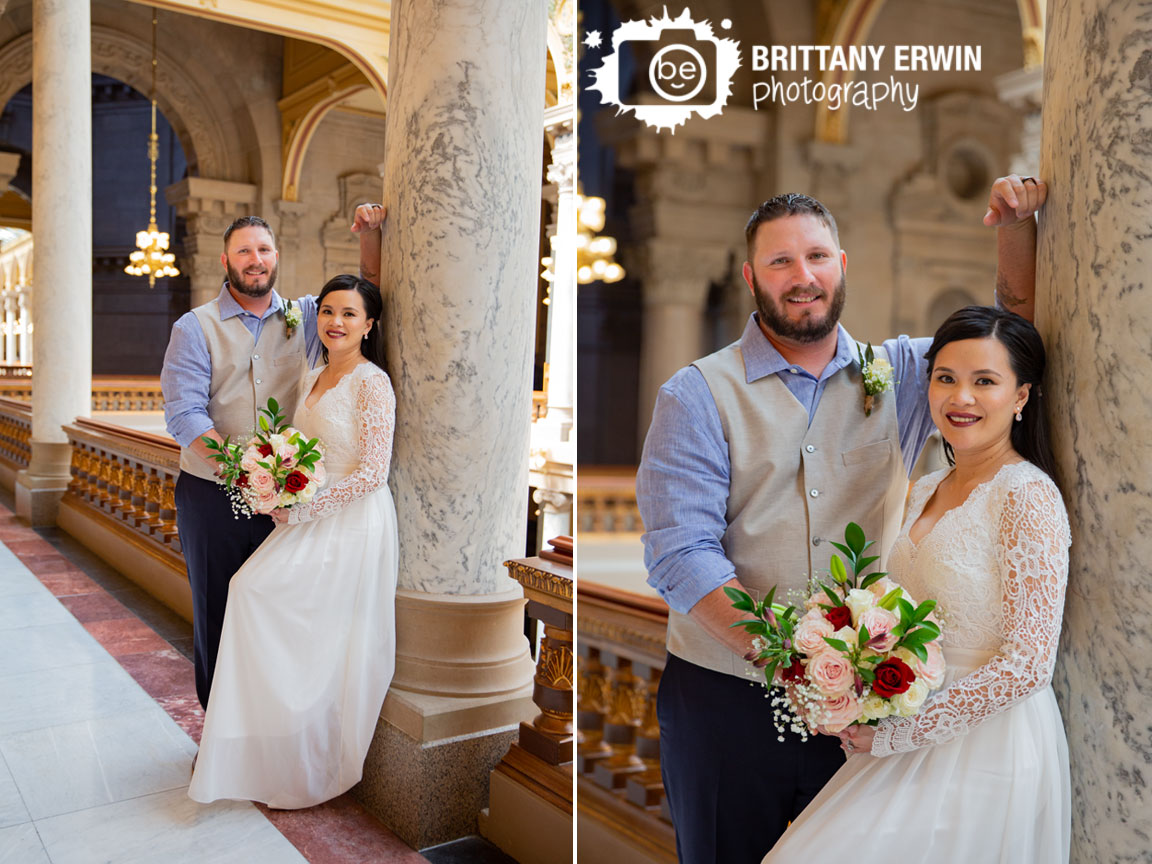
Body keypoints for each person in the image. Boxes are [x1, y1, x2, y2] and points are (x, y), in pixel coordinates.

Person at [634, 175, 1047, 863]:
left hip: (870, 705)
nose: (803, 277)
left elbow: (1013, 333)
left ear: (842, 264)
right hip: (726, 702)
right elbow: (681, 555)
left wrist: (1014, 228)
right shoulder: (697, 393)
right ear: (751, 277)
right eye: (781, 262)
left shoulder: (912, 373)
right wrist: (797, 664)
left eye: (817, 257)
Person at [764, 305, 1070, 862]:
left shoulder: (1027, 495)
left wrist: (900, 734)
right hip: (906, 724)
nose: (961, 398)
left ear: (1022, 396)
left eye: (985, 382)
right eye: (946, 379)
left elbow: (1029, 663)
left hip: (985, 744)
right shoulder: (927, 484)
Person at [161, 204, 387, 710]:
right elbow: (185, 415)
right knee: (218, 608)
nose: (255, 260)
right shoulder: (194, 328)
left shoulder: (307, 316)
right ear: (226, 259)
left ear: (276, 256)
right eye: (244, 251)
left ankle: (267, 728)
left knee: (276, 610)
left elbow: (367, 292)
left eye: (263, 250)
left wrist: (369, 234)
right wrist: (246, 471)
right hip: (213, 495)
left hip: (287, 498)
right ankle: (220, 731)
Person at [189, 273, 398, 808]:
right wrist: (275, 482)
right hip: (304, 511)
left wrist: (302, 509)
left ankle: (307, 753)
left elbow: (373, 472)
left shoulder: (372, 382)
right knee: (249, 591)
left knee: (301, 620)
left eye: (350, 313)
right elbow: (299, 447)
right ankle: (266, 744)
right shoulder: (310, 378)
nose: (336, 321)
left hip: (350, 518)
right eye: (328, 311)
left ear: (369, 324)